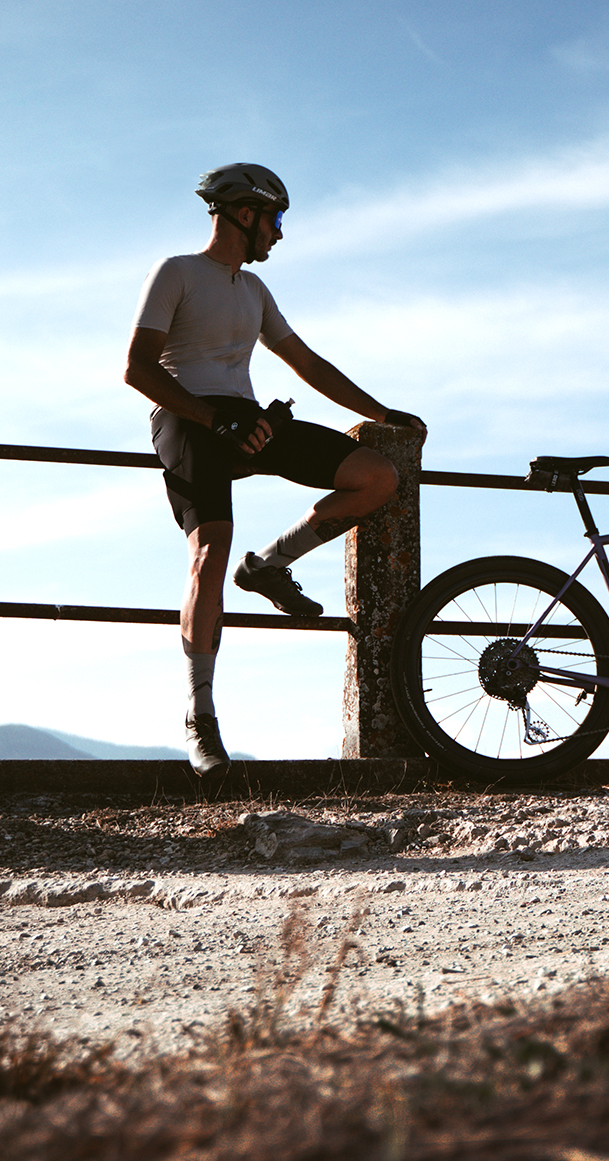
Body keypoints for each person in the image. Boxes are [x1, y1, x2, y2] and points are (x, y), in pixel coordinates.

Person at [123, 163, 425, 779]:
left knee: (376, 477)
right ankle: (199, 716)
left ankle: (267, 567)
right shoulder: (176, 272)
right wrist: (212, 421)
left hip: (247, 420)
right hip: (187, 418)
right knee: (209, 550)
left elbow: (305, 362)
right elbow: (137, 369)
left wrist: (382, 413)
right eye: (275, 219)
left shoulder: (254, 293)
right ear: (243, 213)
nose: (279, 235)